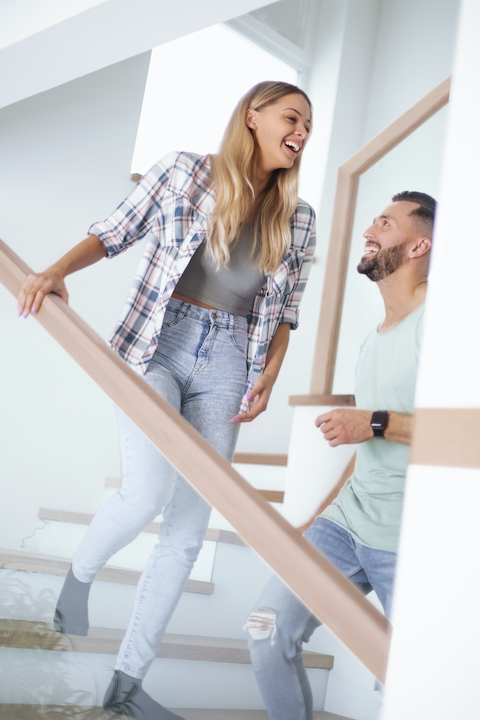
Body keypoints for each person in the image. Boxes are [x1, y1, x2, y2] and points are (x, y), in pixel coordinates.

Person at [17, 81, 315, 720]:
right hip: (158, 341)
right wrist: (56, 271)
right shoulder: (184, 172)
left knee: (187, 531)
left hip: (231, 358)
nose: (301, 132)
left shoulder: (299, 216)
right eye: (293, 117)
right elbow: (114, 232)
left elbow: (286, 311)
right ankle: (81, 573)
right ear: (253, 116)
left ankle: (127, 686)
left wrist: (268, 373)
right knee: (145, 494)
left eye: (308, 127)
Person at [246, 190, 436, 720]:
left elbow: (464, 434)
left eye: (386, 223)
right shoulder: (373, 338)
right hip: (347, 519)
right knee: (266, 631)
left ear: (420, 244)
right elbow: (368, 448)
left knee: (407, 687)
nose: (370, 230)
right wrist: (315, 518)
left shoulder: (445, 327)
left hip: (412, 539)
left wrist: (371, 421)